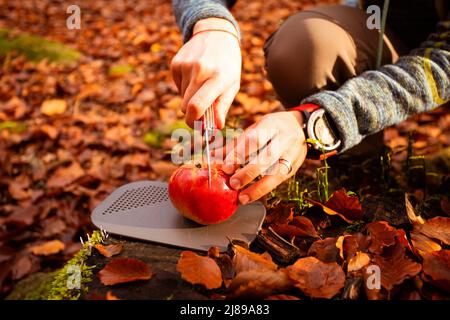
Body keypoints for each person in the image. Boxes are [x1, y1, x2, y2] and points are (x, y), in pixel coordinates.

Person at [170, 0, 449, 206]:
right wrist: (211, 25)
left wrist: (321, 122)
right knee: (304, 46)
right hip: (386, 33)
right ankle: (362, 175)